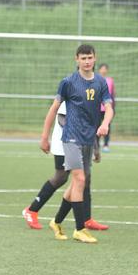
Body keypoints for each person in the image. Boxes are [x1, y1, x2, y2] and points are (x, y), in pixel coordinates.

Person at [40, 44, 113, 243]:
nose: (87, 61)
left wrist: (105, 124)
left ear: (95, 58)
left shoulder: (100, 82)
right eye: (83, 58)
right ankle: (80, 228)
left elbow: (108, 108)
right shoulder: (68, 82)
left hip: (89, 139)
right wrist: (44, 137)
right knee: (79, 179)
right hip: (71, 137)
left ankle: (56, 221)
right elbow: (53, 109)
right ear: (77, 59)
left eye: (90, 57)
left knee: (76, 184)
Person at [22, 101, 107, 231]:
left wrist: (95, 148)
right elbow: (62, 119)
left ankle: (87, 219)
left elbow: (91, 126)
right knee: (61, 177)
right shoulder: (73, 95)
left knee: (85, 178)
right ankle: (32, 210)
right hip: (64, 142)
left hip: (81, 144)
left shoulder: (92, 100)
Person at [98, 63, 115, 152]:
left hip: (107, 109)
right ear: (99, 70)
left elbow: (112, 95)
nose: (104, 70)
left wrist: (113, 108)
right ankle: (96, 145)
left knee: (107, 126)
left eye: (105, 69)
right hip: (96, 109)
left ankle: (106, 145)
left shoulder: (110, 81)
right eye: (102, 69)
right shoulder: (95, 79)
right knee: (96, 126)